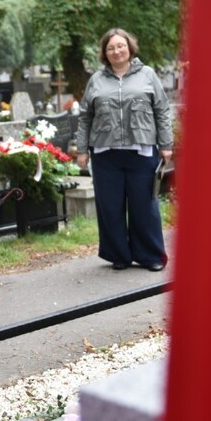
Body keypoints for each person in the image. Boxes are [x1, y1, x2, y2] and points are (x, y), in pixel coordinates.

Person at [75, 28, 173, 272]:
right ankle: (118, 254)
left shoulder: (148, 75)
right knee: (110, 206)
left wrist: (166, 144)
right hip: (105, 154)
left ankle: (150, 255)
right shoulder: (96, 79)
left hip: (141, 151)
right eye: (111, 48)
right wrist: (81, 150)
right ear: (104, 53)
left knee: (144, 206)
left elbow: (161, 110)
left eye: (120, 46)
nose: (116, 51)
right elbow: (85, 116)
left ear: (130, 47)